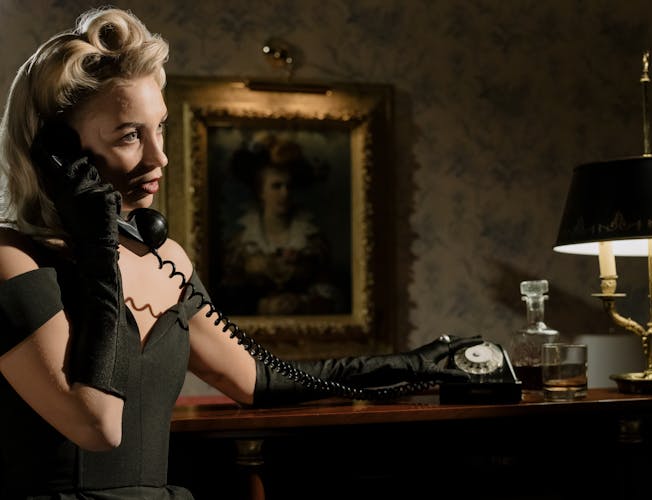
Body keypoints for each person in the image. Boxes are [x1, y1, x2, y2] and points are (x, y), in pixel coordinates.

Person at [0, 7, 479, 499]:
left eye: (159, 127)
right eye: (129, 135)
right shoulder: (11, 259)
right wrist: (99, 247)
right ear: (55, 152)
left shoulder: (167, 259)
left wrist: (422, 365)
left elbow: (259, 379)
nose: (159, 156)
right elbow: (97, 426)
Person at [221, 134, 345, 315]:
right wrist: (262, 306)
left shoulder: (314, 243)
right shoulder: (240, 245)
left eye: (289, 186)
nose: (284, 193)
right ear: (260, 192)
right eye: (276, 186)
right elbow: (224, 301)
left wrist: (302, 304)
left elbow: (333, 298)